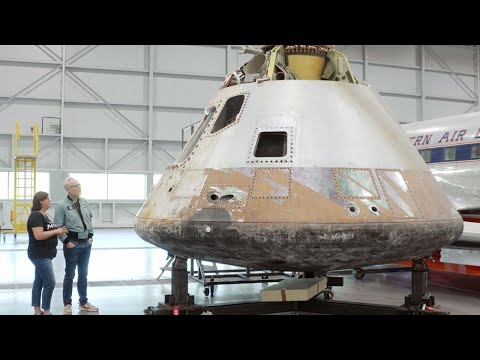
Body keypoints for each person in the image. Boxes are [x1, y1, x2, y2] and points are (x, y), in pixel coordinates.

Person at [54, 177, 99, 314]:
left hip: (86, 244)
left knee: (83, 274)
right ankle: (67, 303)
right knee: (70, 274)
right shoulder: (61, 206)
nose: (79, 187)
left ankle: (83, 302)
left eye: (79, 185)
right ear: (68, 189)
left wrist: (90, 236)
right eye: (76, 186)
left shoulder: (84, 202)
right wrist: (66, 241)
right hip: (72, 244)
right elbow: (58, 226)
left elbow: (89, 219)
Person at [27, 191, 68, 315]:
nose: (50, 200)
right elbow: (39, 235)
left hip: (46, 255)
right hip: (40, 255)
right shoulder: (35, 216)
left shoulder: (44, 216)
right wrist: (57, 231)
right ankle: (46, 311)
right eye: (47, 199)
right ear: (40, 201)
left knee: (39, 282)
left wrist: (60, 230)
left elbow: (50, 230)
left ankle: (37, 310)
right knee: (50, 282)